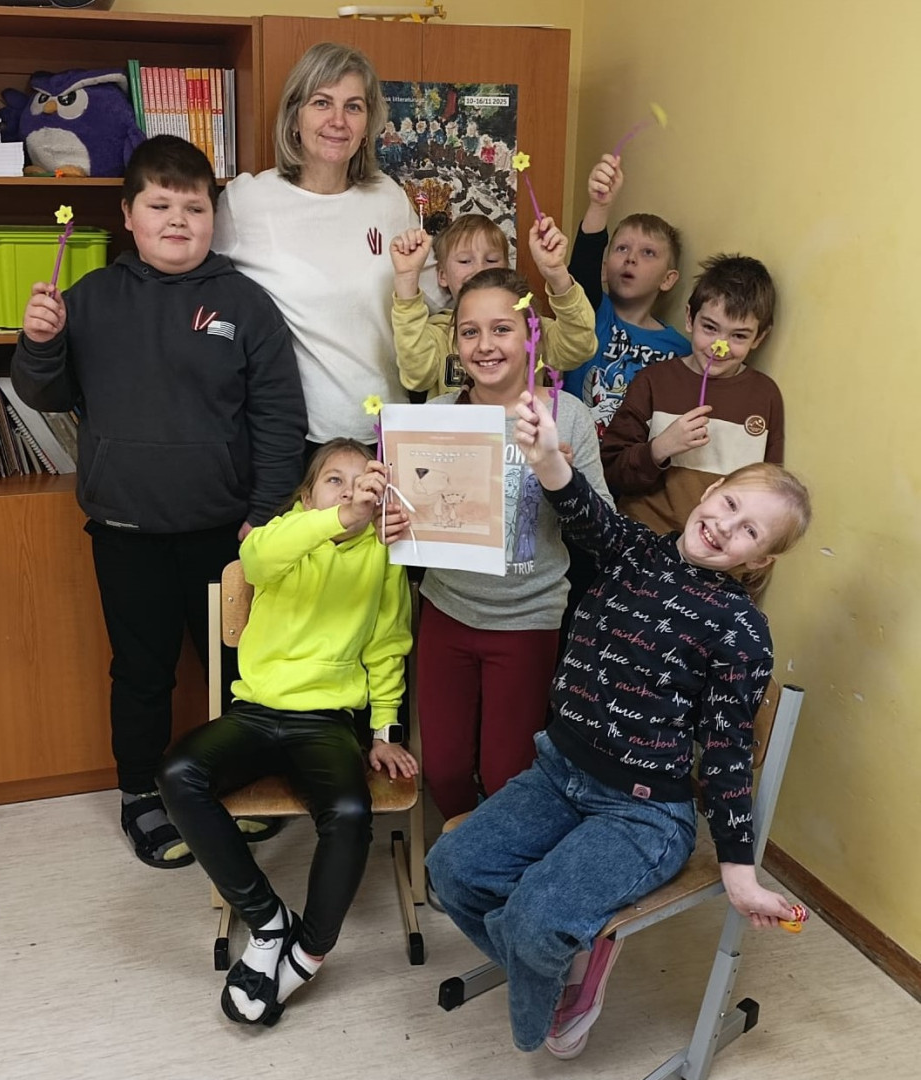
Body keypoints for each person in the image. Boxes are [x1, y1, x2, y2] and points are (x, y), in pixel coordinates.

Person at [425, 388, 812, 1060]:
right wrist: (547, 455)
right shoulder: (635, 551)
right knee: (452, 869)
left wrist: (739, 870)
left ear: (759, 561)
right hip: (557, 774)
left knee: (536, 917)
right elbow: (582, 510)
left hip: (643, 813)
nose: (726, 526)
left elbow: (726, 756)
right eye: (728, 505)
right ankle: (567, 953)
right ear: (709, 491)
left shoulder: (742, 631)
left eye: (750, 531)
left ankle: (557, 969)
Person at [11, 135, 307, 870]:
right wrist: (39, 342)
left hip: (227, 532)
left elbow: (278, 416)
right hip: (125, 531)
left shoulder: (245, 303)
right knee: (142, 674)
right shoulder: (89, 298)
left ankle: (233, 785)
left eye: (194, 207)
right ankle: (140, 792)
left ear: (213, 216)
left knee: (237, 672)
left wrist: (266, 511)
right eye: (160, 205)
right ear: (128, 215)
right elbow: (45, 393)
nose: (178, 220)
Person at [157, 441, 414, 1027]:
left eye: (362, 481)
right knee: (177, 773)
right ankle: (268, 919)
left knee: (350, 812)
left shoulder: (383, 553)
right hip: (255, 712)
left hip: (326, 721)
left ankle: (311, 950)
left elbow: (387, 644)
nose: (349, 491)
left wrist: (384, 729)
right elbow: (257, 559)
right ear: (307, 494)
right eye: (333, 480)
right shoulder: (284, 536)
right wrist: (337, 519)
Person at [384, 267, 611, 822]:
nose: (484, 345)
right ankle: (466, 847)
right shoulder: (435, 417)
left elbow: (604, 532)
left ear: (532, 334)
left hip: (528, 619)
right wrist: (388, 521)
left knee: (507, 769)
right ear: (455, 342)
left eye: (501, 329)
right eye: (469, 332)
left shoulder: (567, 417)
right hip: (447, 611)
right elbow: (407, 514)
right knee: (444, 770)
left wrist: (561, 475)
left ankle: (491, 850)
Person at [213, 42, 446, 454]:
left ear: (368, 124)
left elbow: (432, 299)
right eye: (322, 103)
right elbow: (201, 294)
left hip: (385, 431)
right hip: (293, 441)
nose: (338, 121)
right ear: (294, 116)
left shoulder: (387, 197)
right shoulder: (246, 201)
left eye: (353, 107)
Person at [601, 253, 784, 539]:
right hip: (643, 539)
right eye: (709, 328)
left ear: (759, 337)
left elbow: (769, 494)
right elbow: (611, 470)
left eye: (739, 336)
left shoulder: (765, 395)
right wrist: (660, 448)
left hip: (717, 549)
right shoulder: (653, 381)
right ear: (689, 318)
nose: (720, 346)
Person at [390, 213, 597, 400]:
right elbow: (416, 376)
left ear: (506, 268)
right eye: (465, 261)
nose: (480, 269)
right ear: (442, 275)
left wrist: (557, 274)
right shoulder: (438, 334)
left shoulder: (530, 325)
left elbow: (578, 348)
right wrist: (407, 278)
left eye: (491, 260)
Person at [563, 153, 691, 440]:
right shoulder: (593, 312)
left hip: (635, 460)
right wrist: (600, 206)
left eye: (648, 253)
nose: (631, 258)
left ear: (668, 279)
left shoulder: (680, 350)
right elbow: (582, 267)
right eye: (622, 248)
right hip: (576, 452)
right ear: (604, 268)